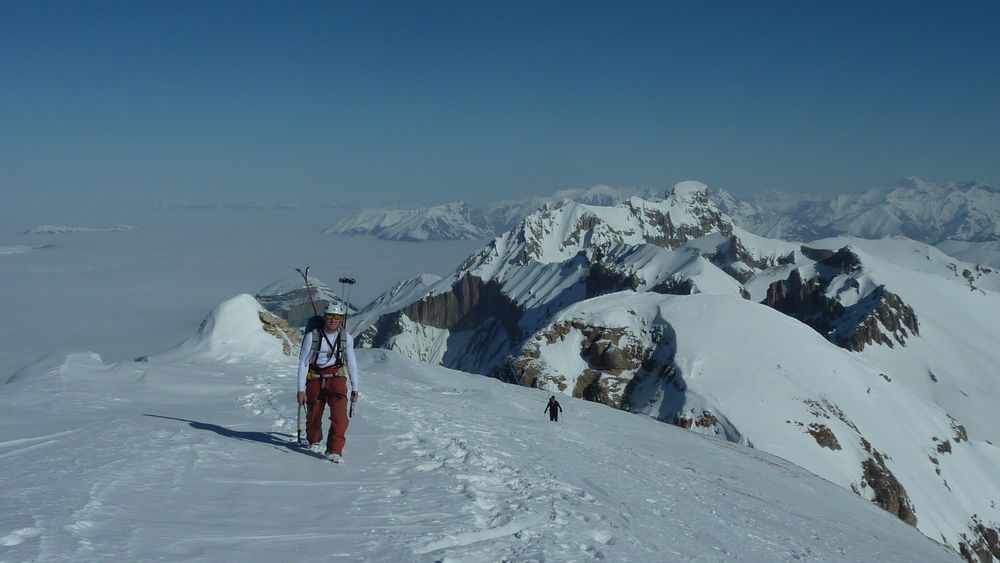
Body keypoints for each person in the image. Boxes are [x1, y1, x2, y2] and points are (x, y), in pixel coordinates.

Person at [296, 301, 359, 463]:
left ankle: (334, 450)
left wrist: (355, 388)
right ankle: (314, 439)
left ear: (341, 320)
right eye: (330, 316)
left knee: (340, 417)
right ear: (324, 317)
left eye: (336, 317)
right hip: (314, 378)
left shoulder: (346, 339)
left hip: (336, 378)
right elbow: (303, 363)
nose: (333, 320)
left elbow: (351, 363)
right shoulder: (312, 337)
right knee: (314, 416)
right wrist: (300, 389)